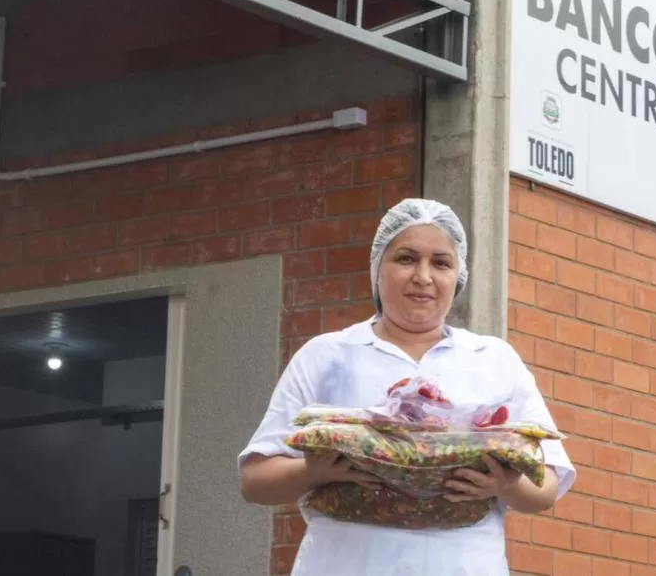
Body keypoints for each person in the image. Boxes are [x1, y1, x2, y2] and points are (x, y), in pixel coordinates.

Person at [238, 198, 576, 576]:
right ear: (377, 269)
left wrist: (504, 484)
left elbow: (546, 485)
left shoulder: (493, 359)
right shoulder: (328, 355)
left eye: (441, 263)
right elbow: (255, 481)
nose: (423, 276)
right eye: (406, 258)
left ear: (458, 276)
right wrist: (313, 472)